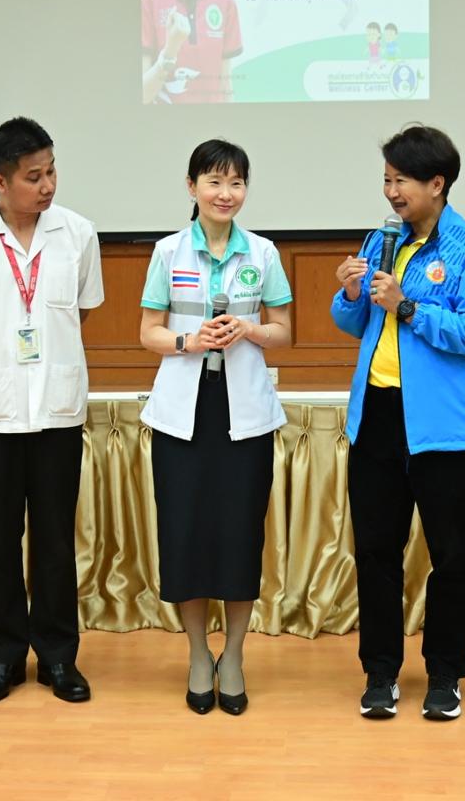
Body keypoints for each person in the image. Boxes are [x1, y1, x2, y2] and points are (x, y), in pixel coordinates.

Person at [331, 125, 465, 722]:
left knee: (451, 556)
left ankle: (445, 674)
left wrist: (406, 306)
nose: (391, 192)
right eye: (386, 179)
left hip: (447, 428)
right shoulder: (381, 240)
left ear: (437, 183)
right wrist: (351, 293)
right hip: (378, 416)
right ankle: (380, 672)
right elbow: (356, 323)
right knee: (376, 551)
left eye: (401, 180)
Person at [0, 117, 104, 705]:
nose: (48, 185)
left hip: (57, 411)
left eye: (52, 171)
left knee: (55, 539)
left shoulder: (78, 234)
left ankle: (58, 657)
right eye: (34, 176)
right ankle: (3, 657)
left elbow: (80, 312)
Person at [139, 139, 292, 715]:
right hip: (183, 413)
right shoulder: (168, 251)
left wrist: (249, 330)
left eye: (236, 183)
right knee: (186, 536)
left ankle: (234, 656)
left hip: (244, 415)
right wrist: (190, 340)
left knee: (239, 537)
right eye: (214, 182)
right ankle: (198, 654)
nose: (226, 193)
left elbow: (283, 332)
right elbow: (148, 332)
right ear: (192, 187)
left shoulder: (264, 252)